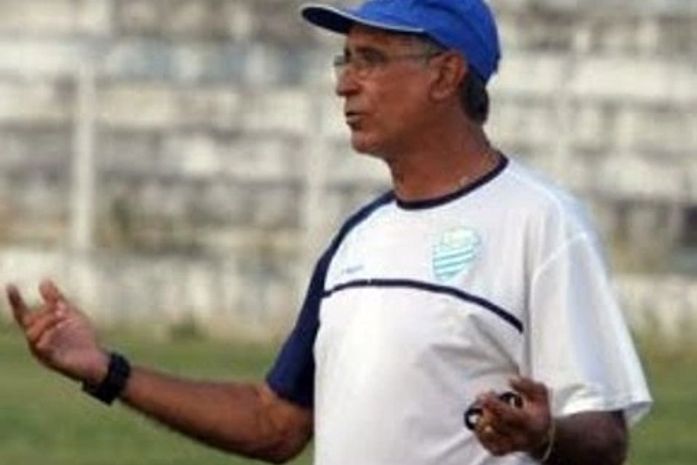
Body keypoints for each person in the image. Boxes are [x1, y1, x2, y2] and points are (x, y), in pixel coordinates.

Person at [6, 0, 651, 464]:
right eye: (345, 59)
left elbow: (606, 436)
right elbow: (275, 422)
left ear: (446, 74)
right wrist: (106, 370)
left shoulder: (543, 221)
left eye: (371, 59)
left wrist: (546, 437)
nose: (345, 81)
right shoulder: (359, 239)